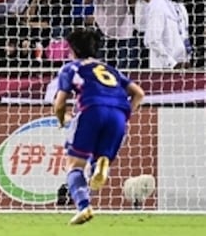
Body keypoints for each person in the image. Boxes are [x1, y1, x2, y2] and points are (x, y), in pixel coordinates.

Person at [53, 27, 145, 225]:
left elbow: (59, 104)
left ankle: (84, 206)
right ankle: (99, 164)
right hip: (118, 115)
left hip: (92, 110)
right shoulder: (111, 69)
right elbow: (139, 93)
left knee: (73, 166)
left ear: (74, 50)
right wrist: (125, 114)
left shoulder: (71, 68)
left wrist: (62, 121)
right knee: (98, 156)